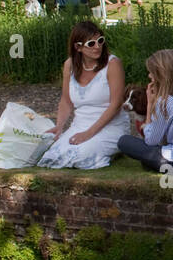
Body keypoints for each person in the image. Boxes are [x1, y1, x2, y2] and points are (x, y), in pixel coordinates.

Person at [38, 22, 128, 170]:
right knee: (52, 156)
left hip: (110, 125)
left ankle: (112, 150)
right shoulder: (69, 65)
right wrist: (59, 126)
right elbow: (66, 101)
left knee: (81, 156)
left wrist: (88, 133)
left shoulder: (113, 64)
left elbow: (116, 104)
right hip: (80, 124)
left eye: (100, 41)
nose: (97, 46)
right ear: (78, 47)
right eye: (91, 44)